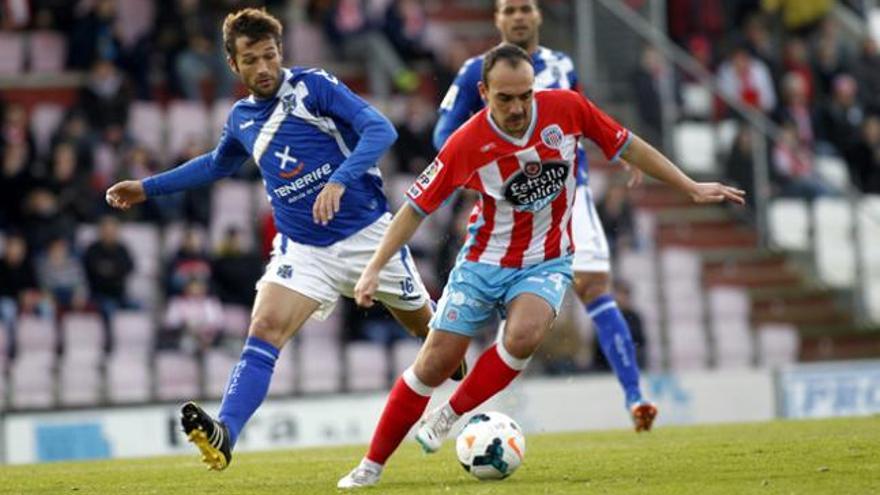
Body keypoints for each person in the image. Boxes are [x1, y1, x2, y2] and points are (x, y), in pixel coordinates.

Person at [338, 43, 744, 489]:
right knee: (435, 363)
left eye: (524, 95)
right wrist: (376, 266)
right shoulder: (467, 142)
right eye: (504, 98)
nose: (516, 107)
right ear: (484, 92)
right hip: (482, 261)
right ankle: (370, 466)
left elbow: (627, 143)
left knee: (525, 335)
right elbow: (415, 208)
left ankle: (449, 415)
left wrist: (688, 186)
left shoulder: (567, 109)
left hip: (546, 259)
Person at [104, 7, 462, 473]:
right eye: (251, 60)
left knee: (430, 337)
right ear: (233, 65)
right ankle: (226, 432)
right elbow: (216, 164)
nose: (264, 68)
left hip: (368, 238)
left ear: (281, 52)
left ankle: (449, 351)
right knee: (265, 329)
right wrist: (146, 187)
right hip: (304, 250)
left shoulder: (313, 87)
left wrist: (338, 180)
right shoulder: (241, 119)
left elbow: (381, 128)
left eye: (270, 56)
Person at [432, 0, 656, 432]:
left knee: (594, 284)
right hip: (509, 201)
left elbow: (586, 119)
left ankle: (634, 396)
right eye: (509, 9)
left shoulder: (562, 64)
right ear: (497, 19)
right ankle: (488, 377)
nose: (518, 16)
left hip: (573, 193)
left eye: (525, 7)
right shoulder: (475, 72)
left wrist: (623, 152)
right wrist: (486, 164)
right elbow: (445, 136)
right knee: (504, 296)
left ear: (537, 15)